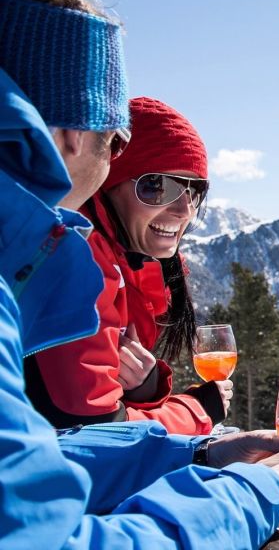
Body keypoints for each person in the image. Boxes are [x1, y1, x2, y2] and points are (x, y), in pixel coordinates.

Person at [0, 0, 279, 549]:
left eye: (195, 192)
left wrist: (198, 449)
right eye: (119, 144)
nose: (181, 208)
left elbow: (38, 457)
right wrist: (259, 495)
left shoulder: (36, 264)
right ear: (71, 138)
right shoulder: (53, 268)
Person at [26, 96, 230, 435]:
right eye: (157, 186)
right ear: (109, 182)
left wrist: (143, 389)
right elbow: (95, 433)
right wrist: (197, 411)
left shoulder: (133, 269)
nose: (184, 210)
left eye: (195, 191)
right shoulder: (83, 262)